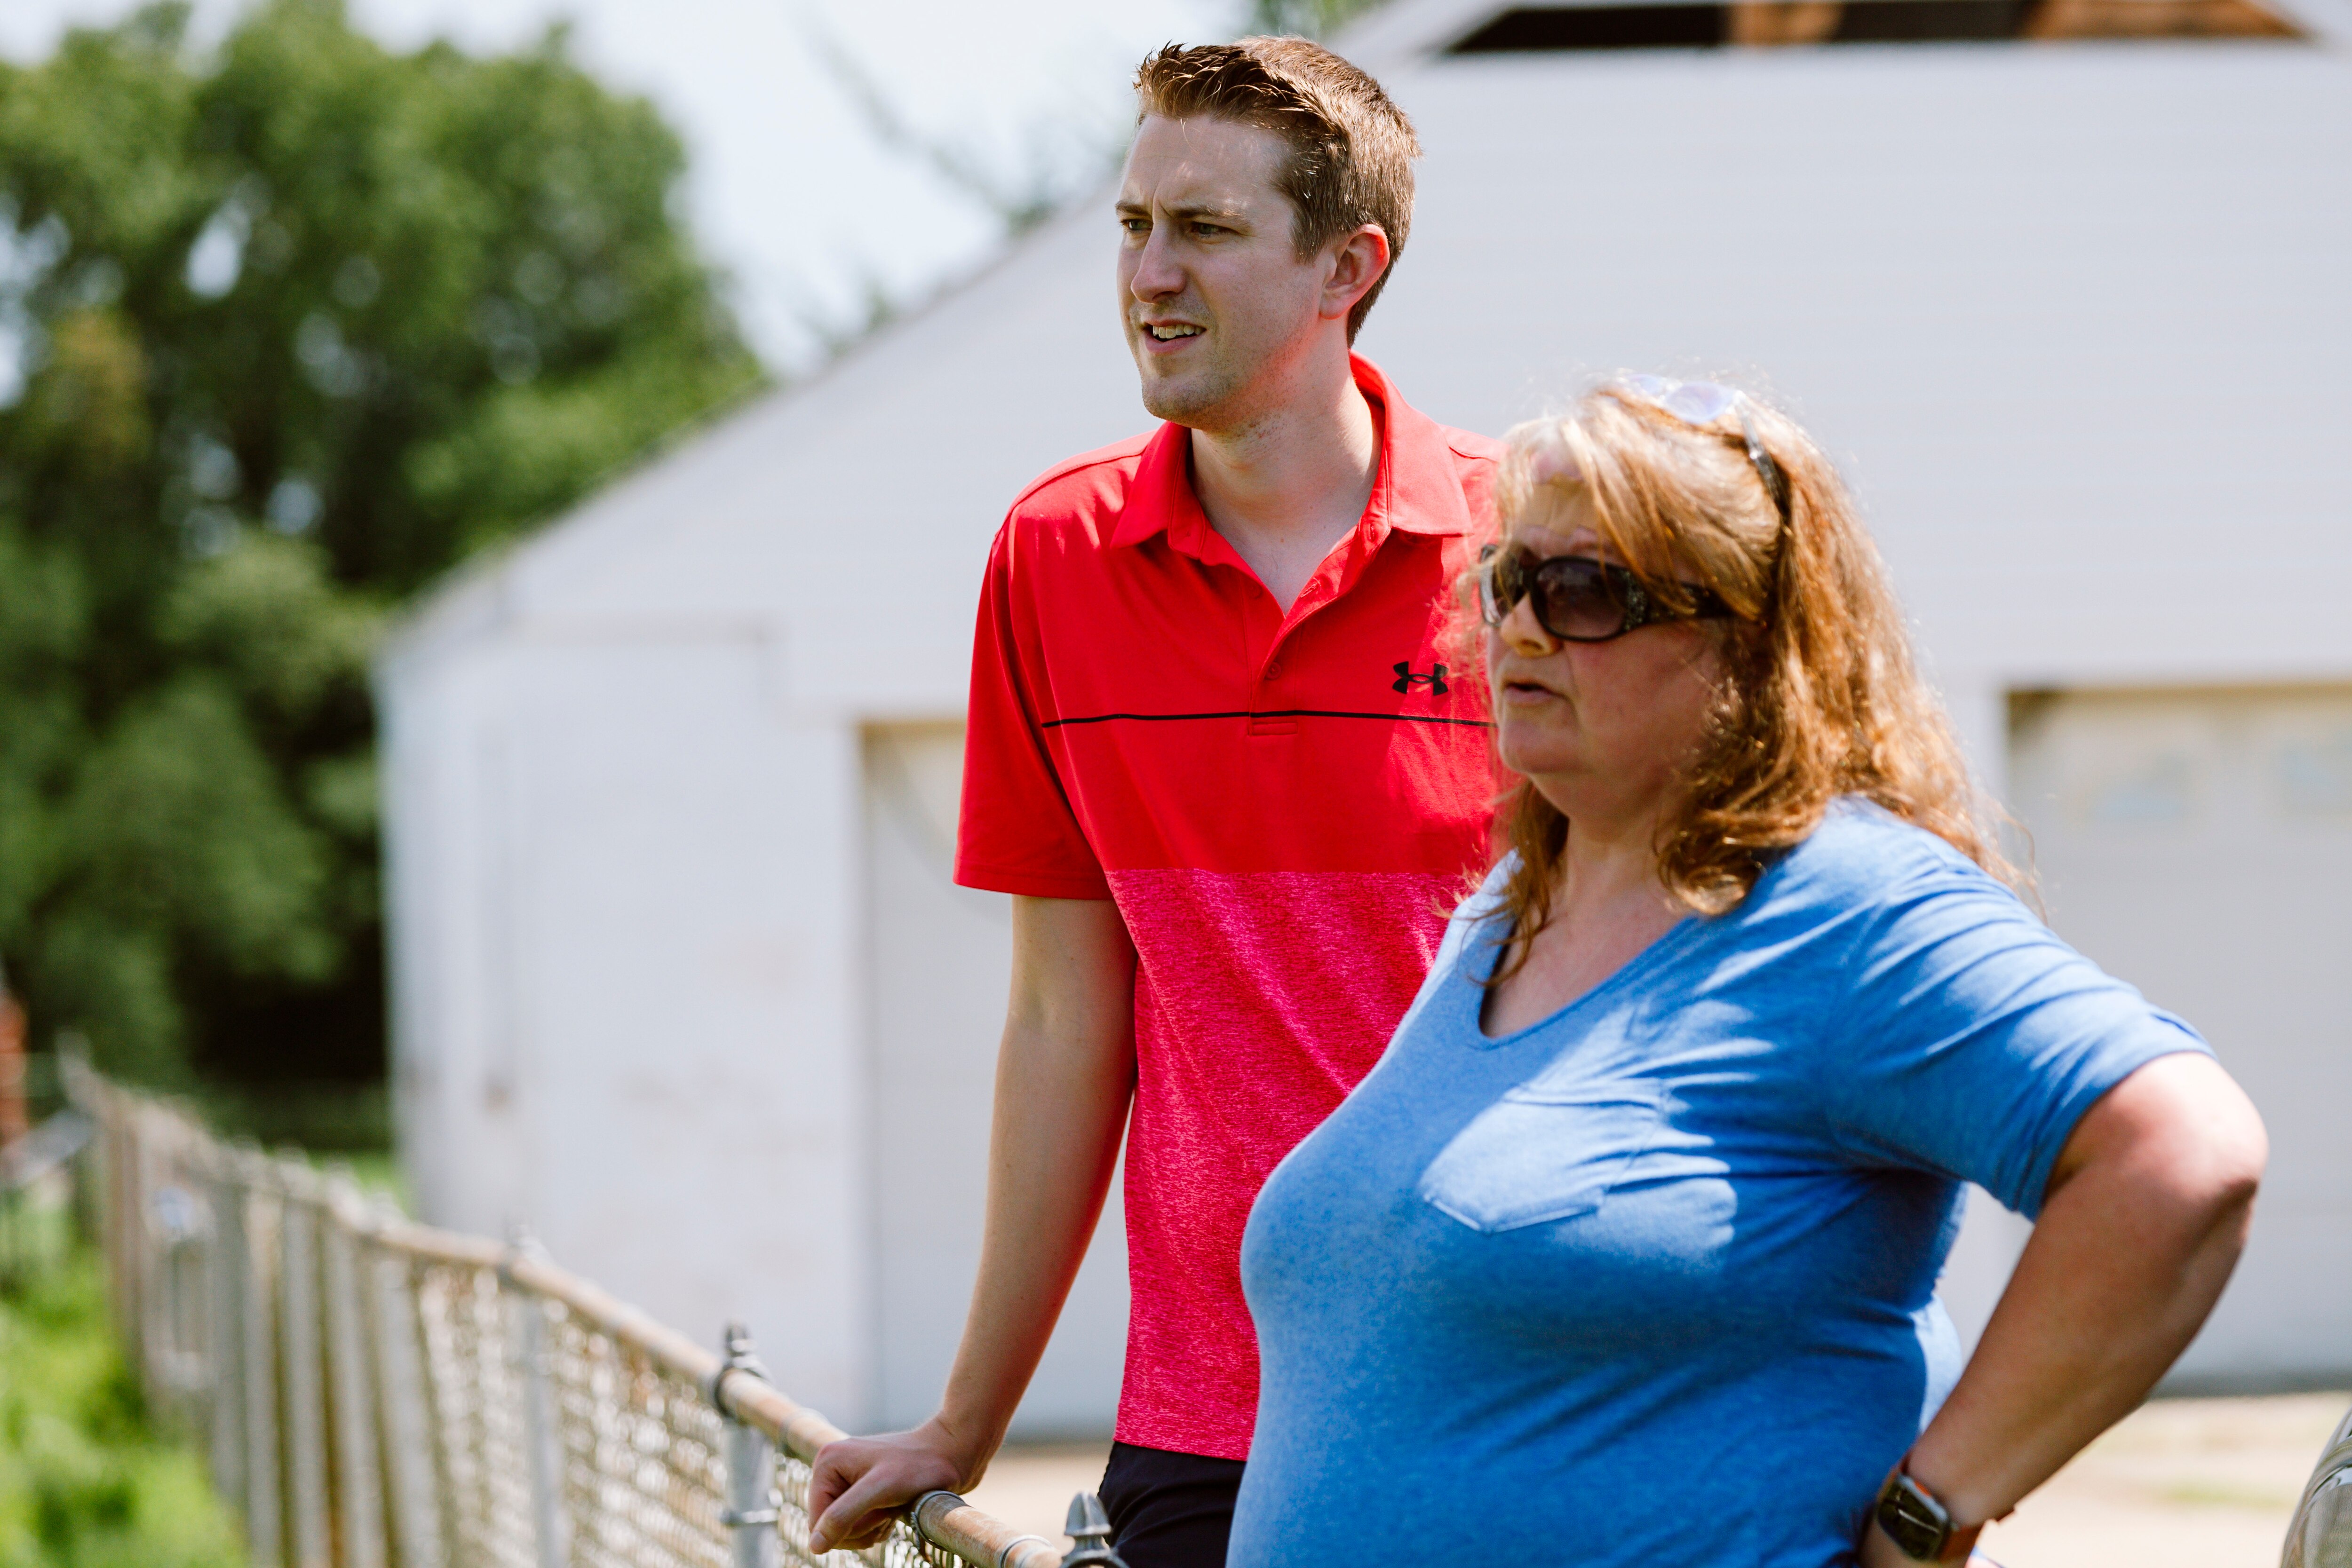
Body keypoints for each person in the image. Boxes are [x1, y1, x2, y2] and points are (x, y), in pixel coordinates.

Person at [1230, 378, 2268, 1567]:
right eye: (1507, 581)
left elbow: (2182, 1158)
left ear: (1748, 636)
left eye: (1580, 592)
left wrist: (1930, 1511)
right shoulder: (1504, 916)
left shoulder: (1844, 908)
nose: (1516, 628)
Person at [806, 39, 1504, 1566]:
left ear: (1347, 266)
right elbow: (1066, 1020)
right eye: (1132, 225)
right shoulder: (1051, 563)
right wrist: (961, 1421)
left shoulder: (1526, 554)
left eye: (1205, 229)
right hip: (1209, 1421)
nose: (1149, 272)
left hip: (1517, 1392)